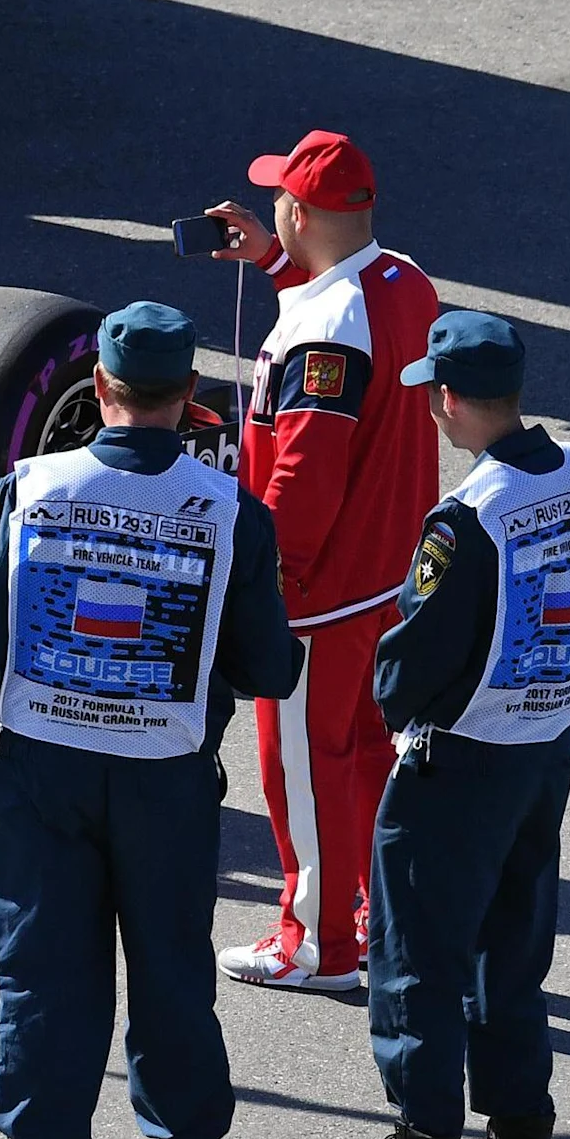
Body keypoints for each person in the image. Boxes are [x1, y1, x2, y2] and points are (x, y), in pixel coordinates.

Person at [0, 303, 303, 1139]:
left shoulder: (28, 488)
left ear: (98, 386)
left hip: (44, 775)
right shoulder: (230, 509)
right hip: (168, 780)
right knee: (173, 975)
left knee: (45, 972)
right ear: (190, 391)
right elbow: (268, 668)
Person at [200, 130, 441, 992]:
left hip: (319, 594)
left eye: (278, 200)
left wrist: (269, 582)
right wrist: (274, 264)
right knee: (367, 753)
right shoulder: (405, 280)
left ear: (299, 212)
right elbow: (347, 331)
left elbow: (304, 472)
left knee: (301, 768)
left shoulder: (324, 332)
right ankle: (371, 913)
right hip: (390, 575)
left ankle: (317, 946)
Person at [358, 313, 570, 1139]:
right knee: (513, 950)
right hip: (547, 740)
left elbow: (414, 656)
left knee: (418, 962)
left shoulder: (469, 516)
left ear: (448, 399)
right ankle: (520, 1138)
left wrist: (392, 703)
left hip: (460, 758)